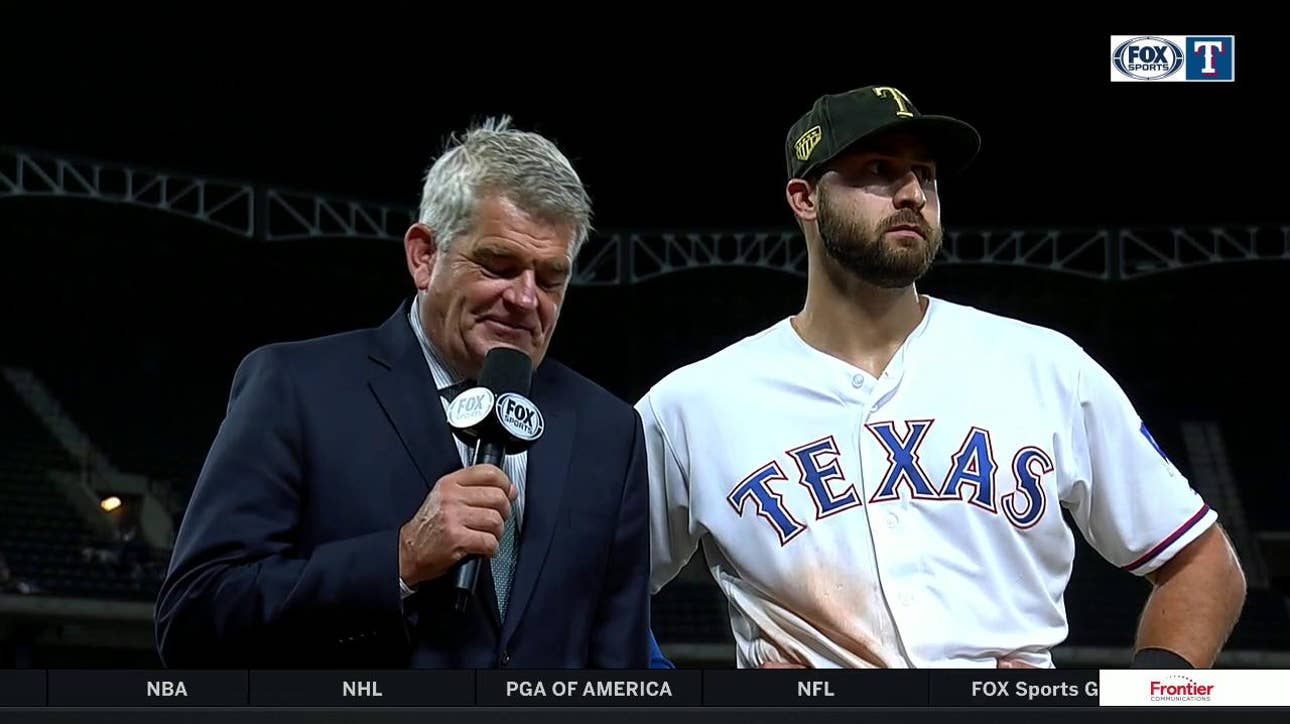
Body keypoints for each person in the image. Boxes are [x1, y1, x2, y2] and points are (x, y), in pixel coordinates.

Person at [637, 85, 1246, 669]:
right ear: (805, 198)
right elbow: (582, 587)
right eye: (878, 170)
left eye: (925, 175)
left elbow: (1204, 564)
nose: (912, 194)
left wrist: (1144, 701)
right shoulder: (694, 405)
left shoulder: (1045, 367)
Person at [156, 117, 650, 668]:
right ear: (423, 256)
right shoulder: (296, 389)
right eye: (498, 265)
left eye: (551, 277)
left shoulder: (609, 430)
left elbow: (619, 667)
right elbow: (194, 619)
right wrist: (400, 558)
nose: (526, 299)